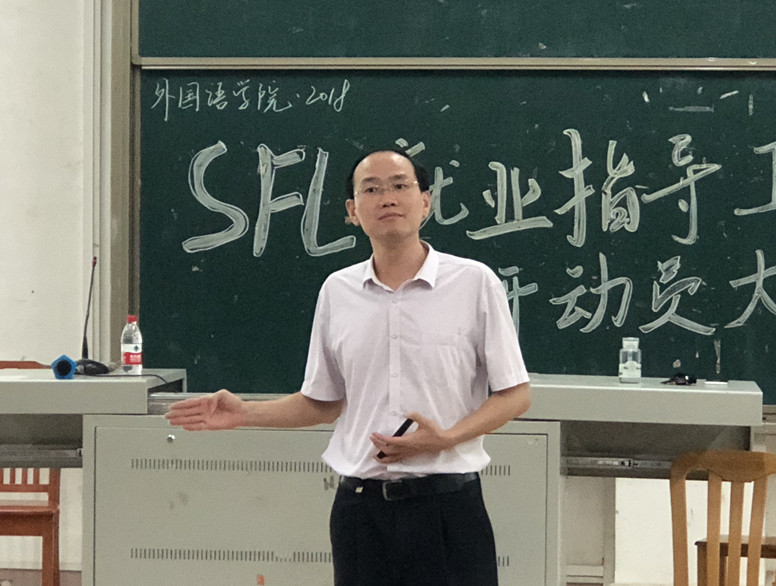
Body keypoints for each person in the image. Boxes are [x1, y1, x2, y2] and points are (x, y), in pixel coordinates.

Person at [165, 148, 532, 586]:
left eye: (400, 185)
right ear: (353, 211)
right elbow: (322, 403)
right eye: (371, 189)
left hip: (447, 507)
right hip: (361, 512)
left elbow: (516, 394)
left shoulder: (474, 282)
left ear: (425, 202)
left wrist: (447, 438)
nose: (387, 198)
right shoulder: (337, 291)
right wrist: (245, 412)